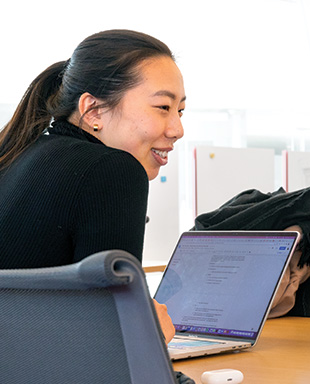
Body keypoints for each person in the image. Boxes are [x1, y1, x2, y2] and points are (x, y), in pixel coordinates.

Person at [0, 30, 186, 344]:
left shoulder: (20, 153)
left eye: (180, 111)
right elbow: (111, 343)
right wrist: (148, 330)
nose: (177, 129)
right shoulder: (114, 169)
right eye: (163, 108)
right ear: (94, 109)